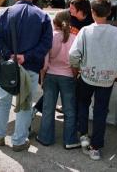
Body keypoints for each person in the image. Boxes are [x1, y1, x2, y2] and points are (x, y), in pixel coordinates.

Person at [0, 0, 52, 152]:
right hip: (30, 66)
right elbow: (46, 44)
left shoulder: (6, 13)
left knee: (3, 101)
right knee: (25, 104)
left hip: (8, 66)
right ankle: (19, 141)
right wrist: (26, 56)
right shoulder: (43, 16)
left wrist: (10, 55)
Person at [69, 0, 117, 160]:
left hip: (87, 76)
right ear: (109, 13)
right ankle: (96, 147)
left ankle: (83, 135)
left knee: (82, 104)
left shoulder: (85, 31)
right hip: (107, 79)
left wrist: (78, 67)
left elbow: (73, 54)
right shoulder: (116, 32)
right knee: (100, 110)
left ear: (92, 12)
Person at [36, 10, 80, 149]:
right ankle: (70, 140)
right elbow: (76, 62)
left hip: (51, 75)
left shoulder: (51, 37)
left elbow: (45, 62)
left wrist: (42, 78)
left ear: (54, 23)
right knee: (69, 110)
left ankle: (45, 137)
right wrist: (74, 75)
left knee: (48, 108)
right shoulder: (75, 38)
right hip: (68, 76)